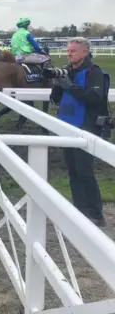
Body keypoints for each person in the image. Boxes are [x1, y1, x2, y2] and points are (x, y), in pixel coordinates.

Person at [48, 37, 108, 227]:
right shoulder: (68, 71)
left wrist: (70, 86)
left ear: (84, 52)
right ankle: (79, 211)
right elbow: (55, 100)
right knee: (73, 171)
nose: (69, 54)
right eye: (68, 50)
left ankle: (96, 214)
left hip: (86, 128)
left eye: (73, 51)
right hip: (66, 127)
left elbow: (94, 98)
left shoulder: (94, 72)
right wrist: (58, 84)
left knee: (84, 171)